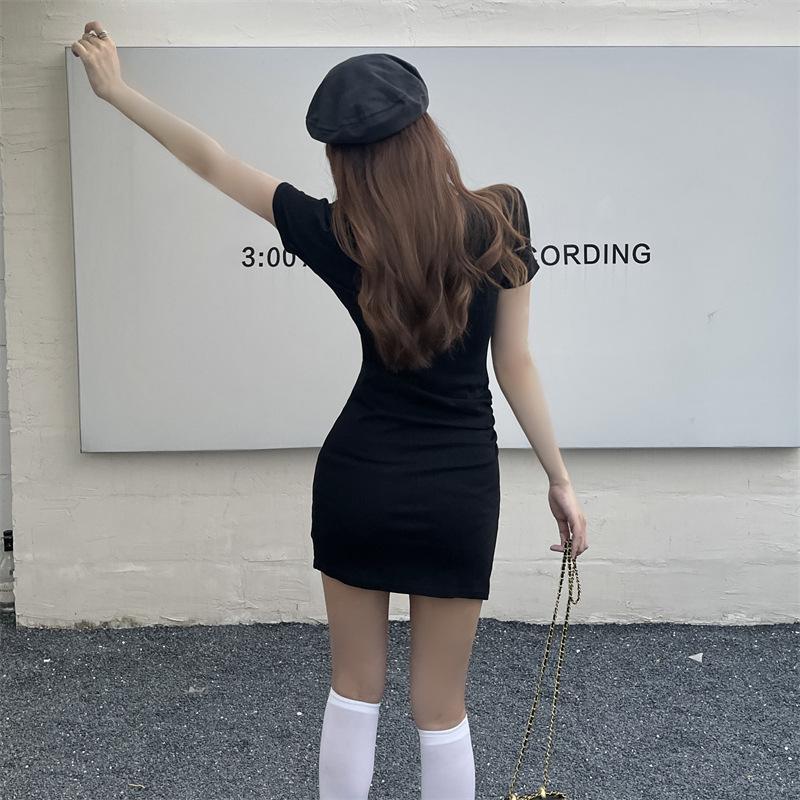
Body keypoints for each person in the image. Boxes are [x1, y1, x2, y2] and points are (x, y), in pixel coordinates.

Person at [72, 24, 589, 800]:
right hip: (459, 487)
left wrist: (116, 92)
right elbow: (514, 363)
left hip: (359, 479)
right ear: (425, 131)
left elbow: (213, 161)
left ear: (346, 157)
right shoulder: (501, 216)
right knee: (440, 710)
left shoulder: (342, 232)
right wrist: (560, 481)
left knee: (354, 690)